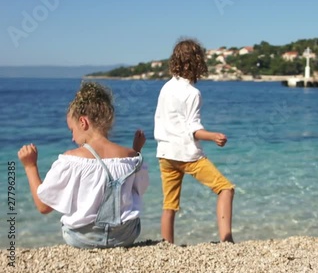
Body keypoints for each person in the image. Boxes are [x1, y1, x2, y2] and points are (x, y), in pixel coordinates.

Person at [17, 81, 149, 249]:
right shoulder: (131, 157)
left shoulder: (72, 160)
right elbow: (139, 189)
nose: (73, 138)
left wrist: (30, 166)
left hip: (83, 239)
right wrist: (137, 150)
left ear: (83, 123)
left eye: (72, 130)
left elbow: (43, 206)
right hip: (125, 236)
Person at [154, 38, 235, 244]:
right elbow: (193, 129)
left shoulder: (166, 88)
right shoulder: (192, 93)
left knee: (169, 205)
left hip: (164, 153)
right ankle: (227, 240)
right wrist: (213, 136)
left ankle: (166, 245)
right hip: (187, 154)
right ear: (196, 63)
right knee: (225, 188)